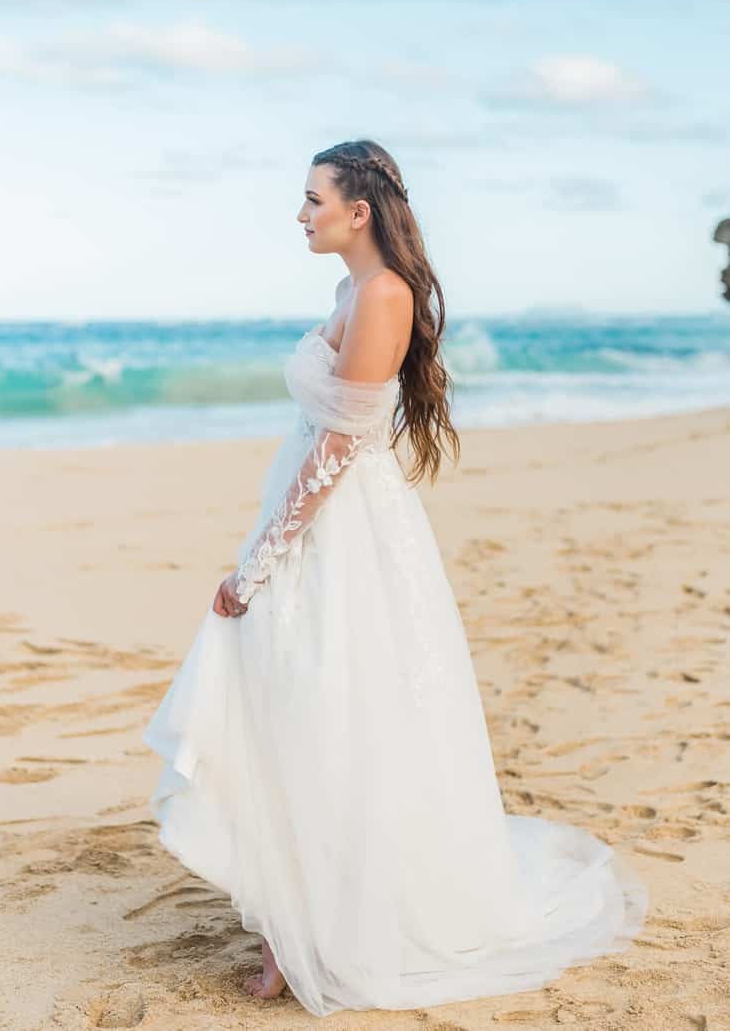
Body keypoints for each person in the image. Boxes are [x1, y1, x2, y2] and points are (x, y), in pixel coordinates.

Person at [144, 139, 647, 1017]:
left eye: (312, 199)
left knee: (328, 708)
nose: (300, 214)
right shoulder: (347, 290)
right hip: (316, 515)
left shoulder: (382, 296)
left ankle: (316, 935)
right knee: (295, 706)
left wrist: (260, 560)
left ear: (357, 211)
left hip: (343, 532)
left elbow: (341, 446)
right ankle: (293, 921)